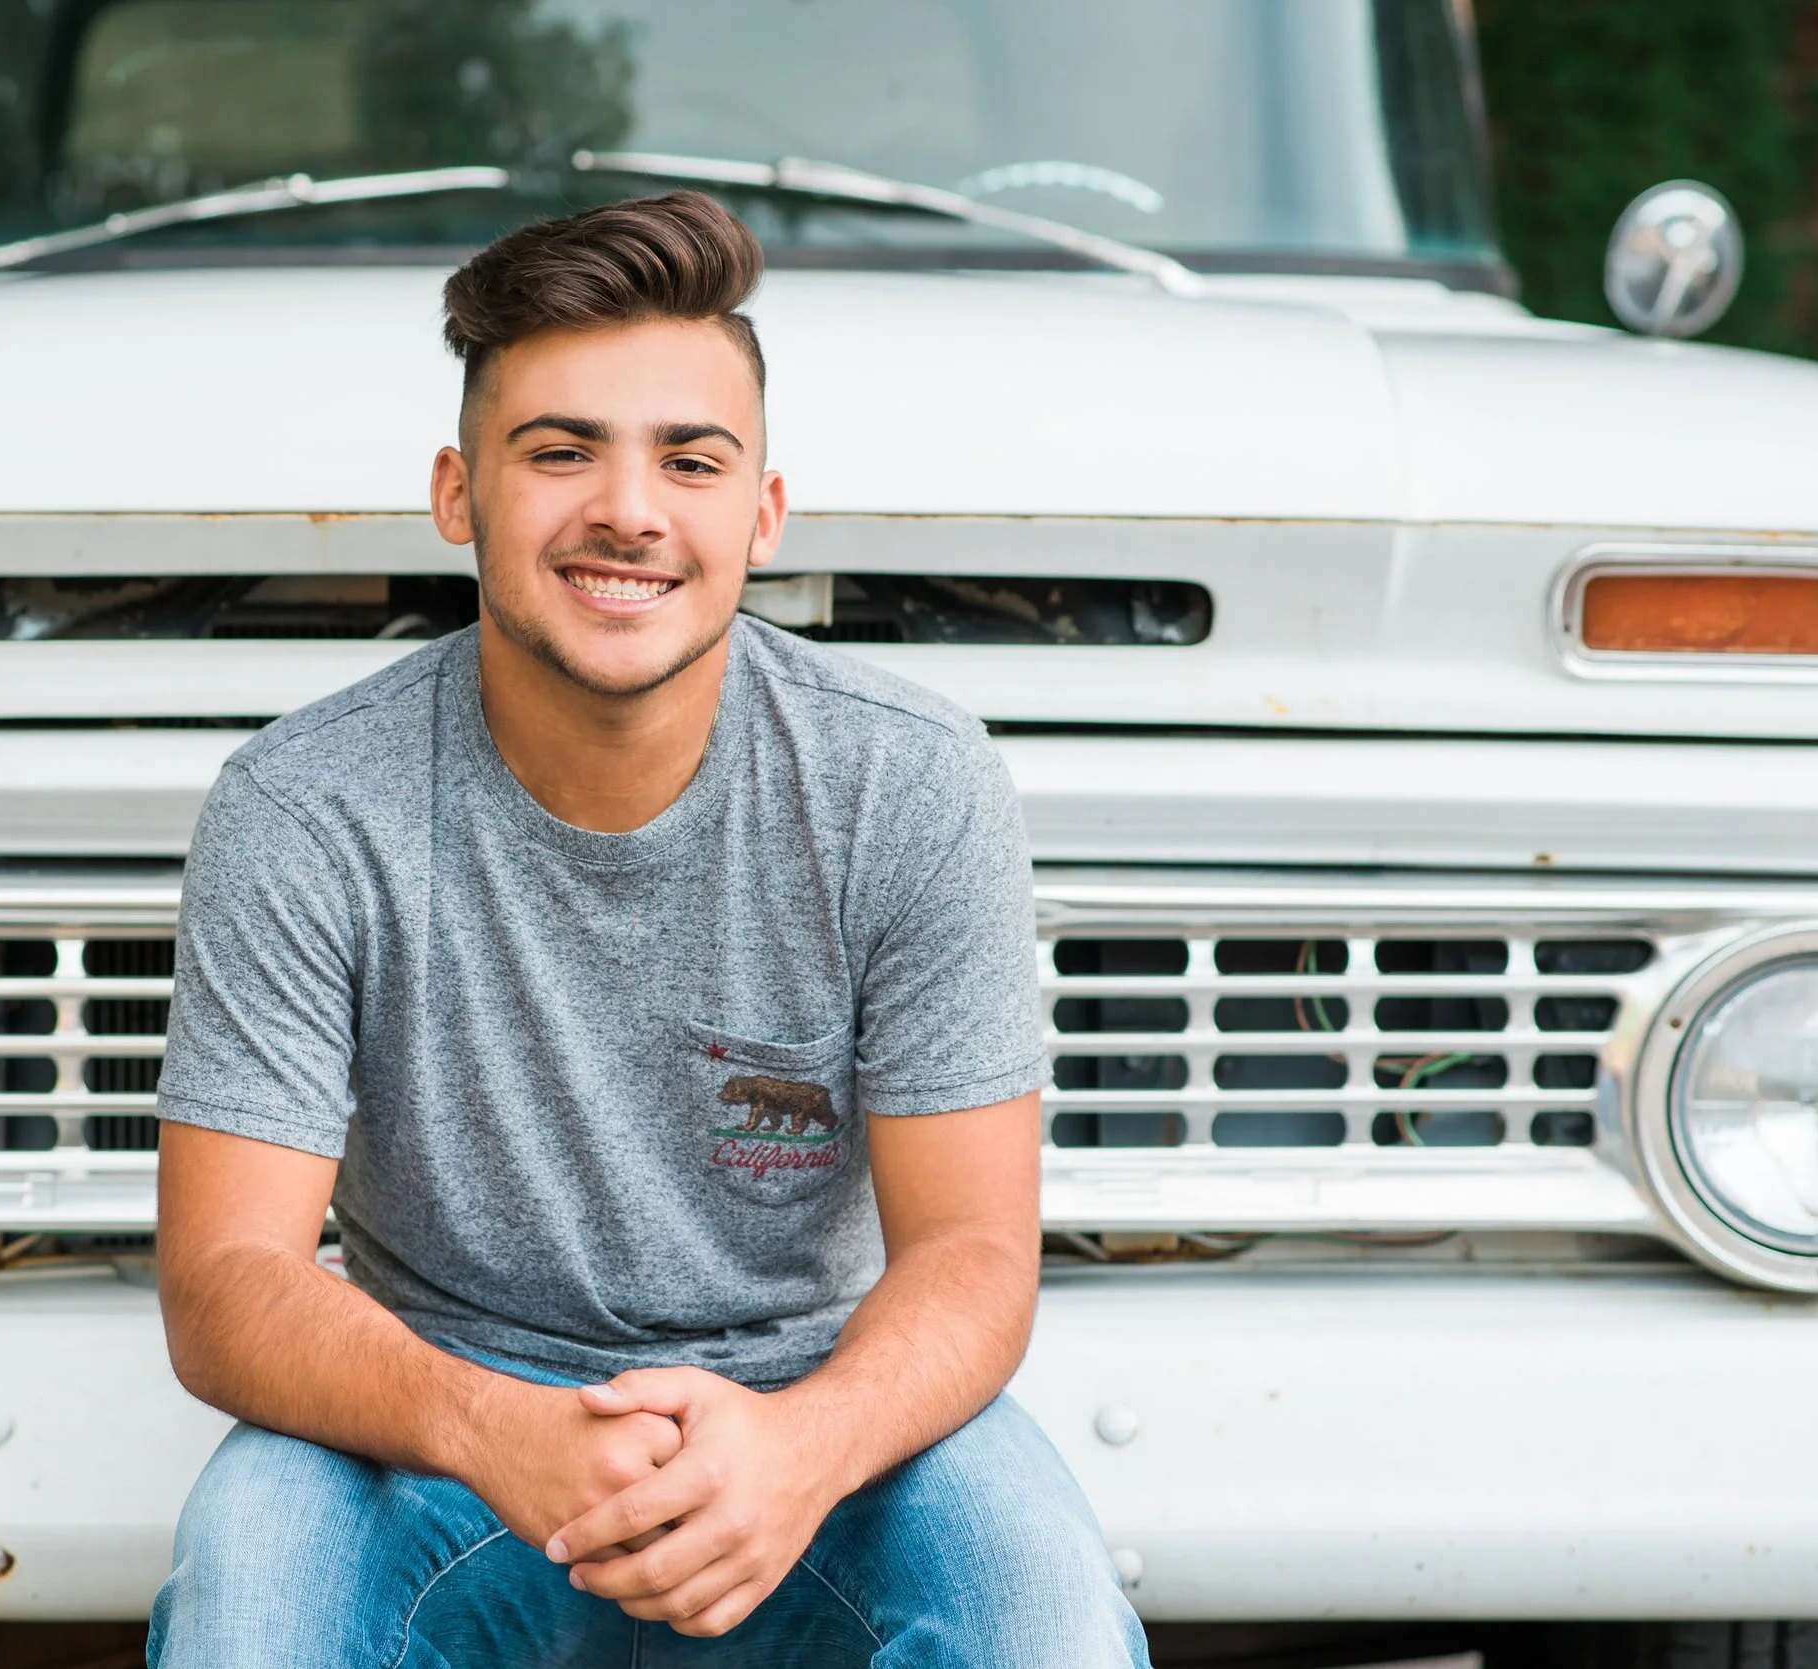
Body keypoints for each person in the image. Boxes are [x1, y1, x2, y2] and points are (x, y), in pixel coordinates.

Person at [149, 190, 1148, 1668]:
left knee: (1046, 1622)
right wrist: (499, 1428)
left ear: (761, 508)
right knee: (250, 1605)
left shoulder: (909, 782)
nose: (628, 509)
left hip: (821, 1415)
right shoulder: (307, 806)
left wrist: (804, 1448)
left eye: (690, 459)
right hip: (432, 1431)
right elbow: (226, 1285)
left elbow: (977, 1252)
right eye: (559, 452)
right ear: (456, 492)